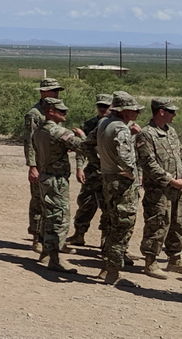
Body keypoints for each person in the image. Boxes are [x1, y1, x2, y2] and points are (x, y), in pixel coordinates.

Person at [135, 98, 182, 278]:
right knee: (157, 223)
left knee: (178, 223)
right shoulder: (146, 134)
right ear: (161, 112)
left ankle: (174, 259)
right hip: (158, 191)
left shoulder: (171, 132)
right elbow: (149, 164)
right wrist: (170, 180)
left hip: (177, 189)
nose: (174, 115)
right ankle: (150, 262)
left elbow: (180, 156)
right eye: (171, 111)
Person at [32, 98, 86, 273]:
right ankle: (55, 259)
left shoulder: (39, 131)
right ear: (50, 112)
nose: (65, 114)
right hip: (56, 180)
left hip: (45, 176)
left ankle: (46, 253)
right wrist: (82, 136)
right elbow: (82, 147)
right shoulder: (58, 131)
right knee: (59, 218)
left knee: (48, 216)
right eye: (61, 111)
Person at [96, 92, 142, 284]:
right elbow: (125, 155)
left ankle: (107, 267)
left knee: (112, 221)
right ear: (124, 111)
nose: (137, 113)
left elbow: (88, 144)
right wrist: (132, 172)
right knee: (123, 225)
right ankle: (112, 270)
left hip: (107, 177)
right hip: (121, 181)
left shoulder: (103, 123)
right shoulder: (120, 128)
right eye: (134, 110)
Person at [67, 93, 113, 247]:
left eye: (106, 106)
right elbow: (83, 149)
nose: (102, 109)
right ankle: (79, 234)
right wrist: (79, 168)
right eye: (100, 106)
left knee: (108, 206)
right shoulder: (91, 123)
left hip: (109, 171)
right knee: (86, 202)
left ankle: (106, 240)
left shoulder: (116, 124)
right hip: (93, 170)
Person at [23, 78, 63, 253]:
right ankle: (36, 238)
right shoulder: (35, 114)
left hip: (54, 163)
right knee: (39, 201)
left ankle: (50, 239)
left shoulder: (54, 111)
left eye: (57, 91)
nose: (56, 94)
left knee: (54, 201)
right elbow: (29, 142)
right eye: (53, 91)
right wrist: (32, 165)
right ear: (43, 93)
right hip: (40, 163)